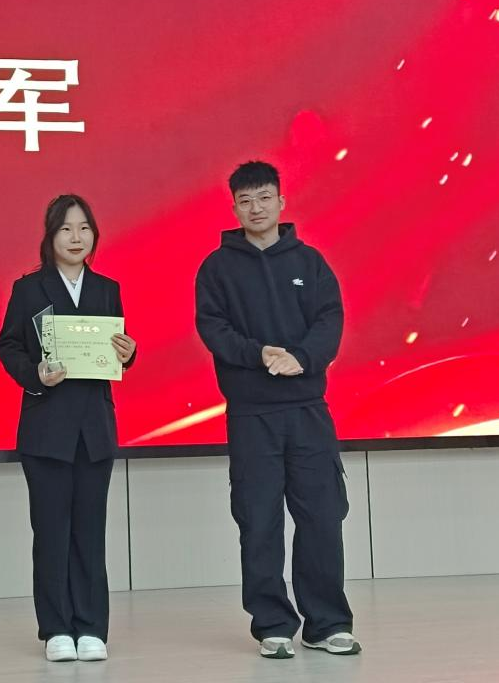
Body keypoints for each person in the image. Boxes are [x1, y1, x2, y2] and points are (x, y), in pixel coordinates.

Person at [195, 161, 360, 660]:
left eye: (264, 197)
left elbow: (330, 319)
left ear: (281, 202)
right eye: (245, 201)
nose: (256, 208)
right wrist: (258, 354)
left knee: (322, 516)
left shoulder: (310, 262)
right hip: (252, 415)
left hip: (307, 409)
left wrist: (302, 358)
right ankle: (272, 624)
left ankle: (326, 622)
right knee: (259, 520)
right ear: (234, 208)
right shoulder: (217, 268)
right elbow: (213, 327)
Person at [0, 194, 138, 662]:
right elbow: (8, 346)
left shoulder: (107, 289)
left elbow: (114, 350)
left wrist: (128, 352)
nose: (76, 238)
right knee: (52, 533)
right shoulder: (28, 290)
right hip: (46, 430)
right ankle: (56, 628)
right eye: (66, 229)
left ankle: (92, 627)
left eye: (84, 228)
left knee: (90, 533)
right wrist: (35, 374)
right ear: (50, 236)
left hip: (94, 430)